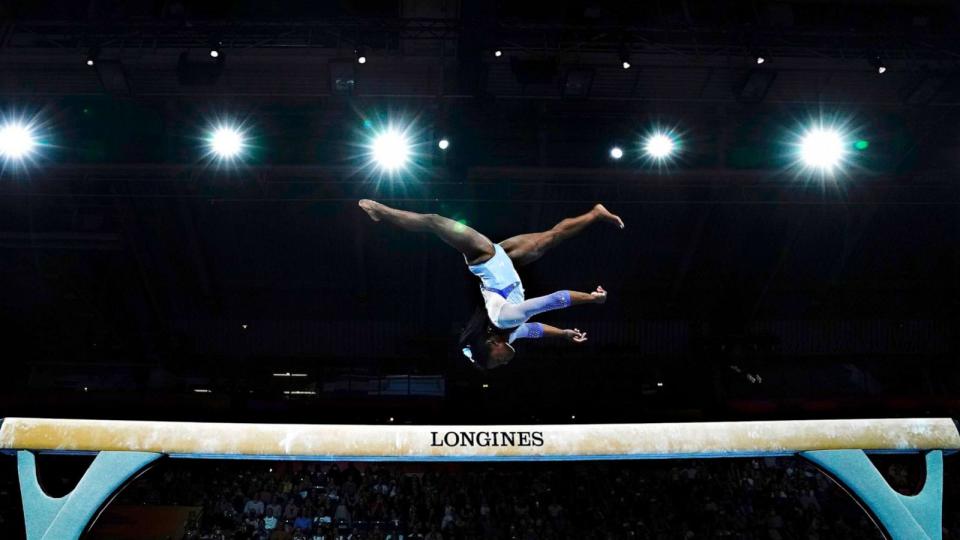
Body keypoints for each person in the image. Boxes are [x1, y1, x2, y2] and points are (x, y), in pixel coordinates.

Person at [358, 200, 624, 369]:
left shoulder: (505, 319)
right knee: (553, 236)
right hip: (506, 259)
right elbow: (536, 331)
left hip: (483, 255)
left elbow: (553, 300)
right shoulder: (511, 333)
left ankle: (382, 211)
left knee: (434, 222)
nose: (503, 362)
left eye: (496, 360)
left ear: (490, 344)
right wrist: (564, 334)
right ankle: (595, 213)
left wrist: (591, 299)